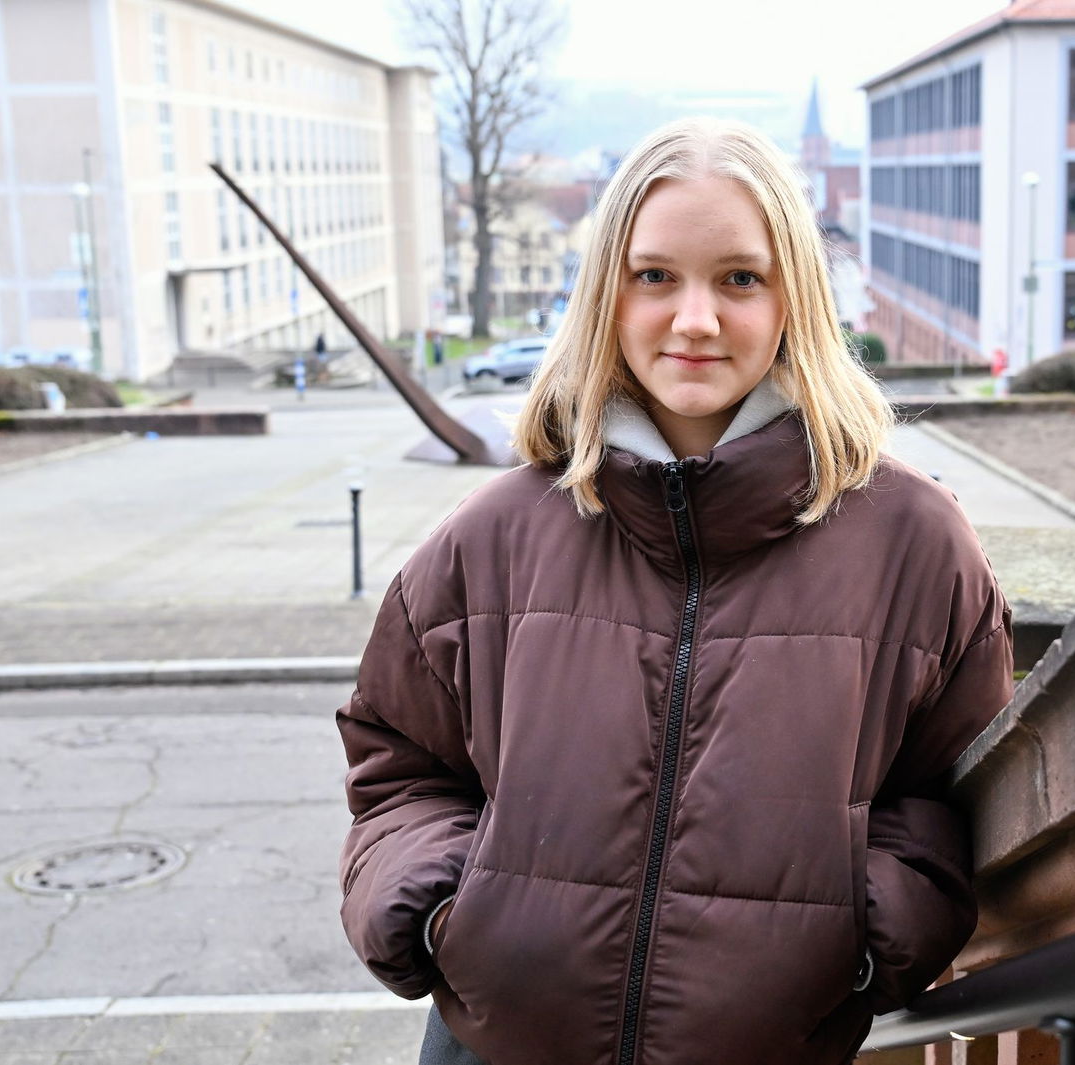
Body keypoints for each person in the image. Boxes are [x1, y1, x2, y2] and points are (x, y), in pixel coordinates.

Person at [336, 117, 1013, 1065]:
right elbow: (400, 762)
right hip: (495, 1046)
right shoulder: (492, 536)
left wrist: (863, 943)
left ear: (794, 298)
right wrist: (446, 914)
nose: (695, 319)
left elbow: (951, 788)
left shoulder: (914, 543)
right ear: (608, 293)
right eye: (655, 276)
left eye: (740, 277)